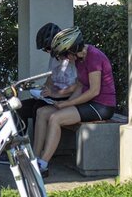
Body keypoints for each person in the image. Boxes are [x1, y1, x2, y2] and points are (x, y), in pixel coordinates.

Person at [32, 26, 116, 177]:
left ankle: (43, 165)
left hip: (101, 106)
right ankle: (34, 158)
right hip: (89, 103)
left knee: (56, 118)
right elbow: (80, 85)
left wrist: (67, 104)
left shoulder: (94, 57)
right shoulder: (80, 59)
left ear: (73, 49)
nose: (66, 59)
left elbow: (94, 91)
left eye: (66, 55)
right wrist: (61, 99)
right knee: (42, 112)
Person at [16, 22, 78, 131]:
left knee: (38, 109)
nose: (48, 51)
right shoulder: (54, 58)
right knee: (20, 107)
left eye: (48, 48)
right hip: (52, 96)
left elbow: (77, 87)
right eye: (45, 49)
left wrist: (55, 93)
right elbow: (50, 78)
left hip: (67, 98)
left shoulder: (72, 58)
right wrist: (43, 90)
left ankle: (38, 145)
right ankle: (19, 144)